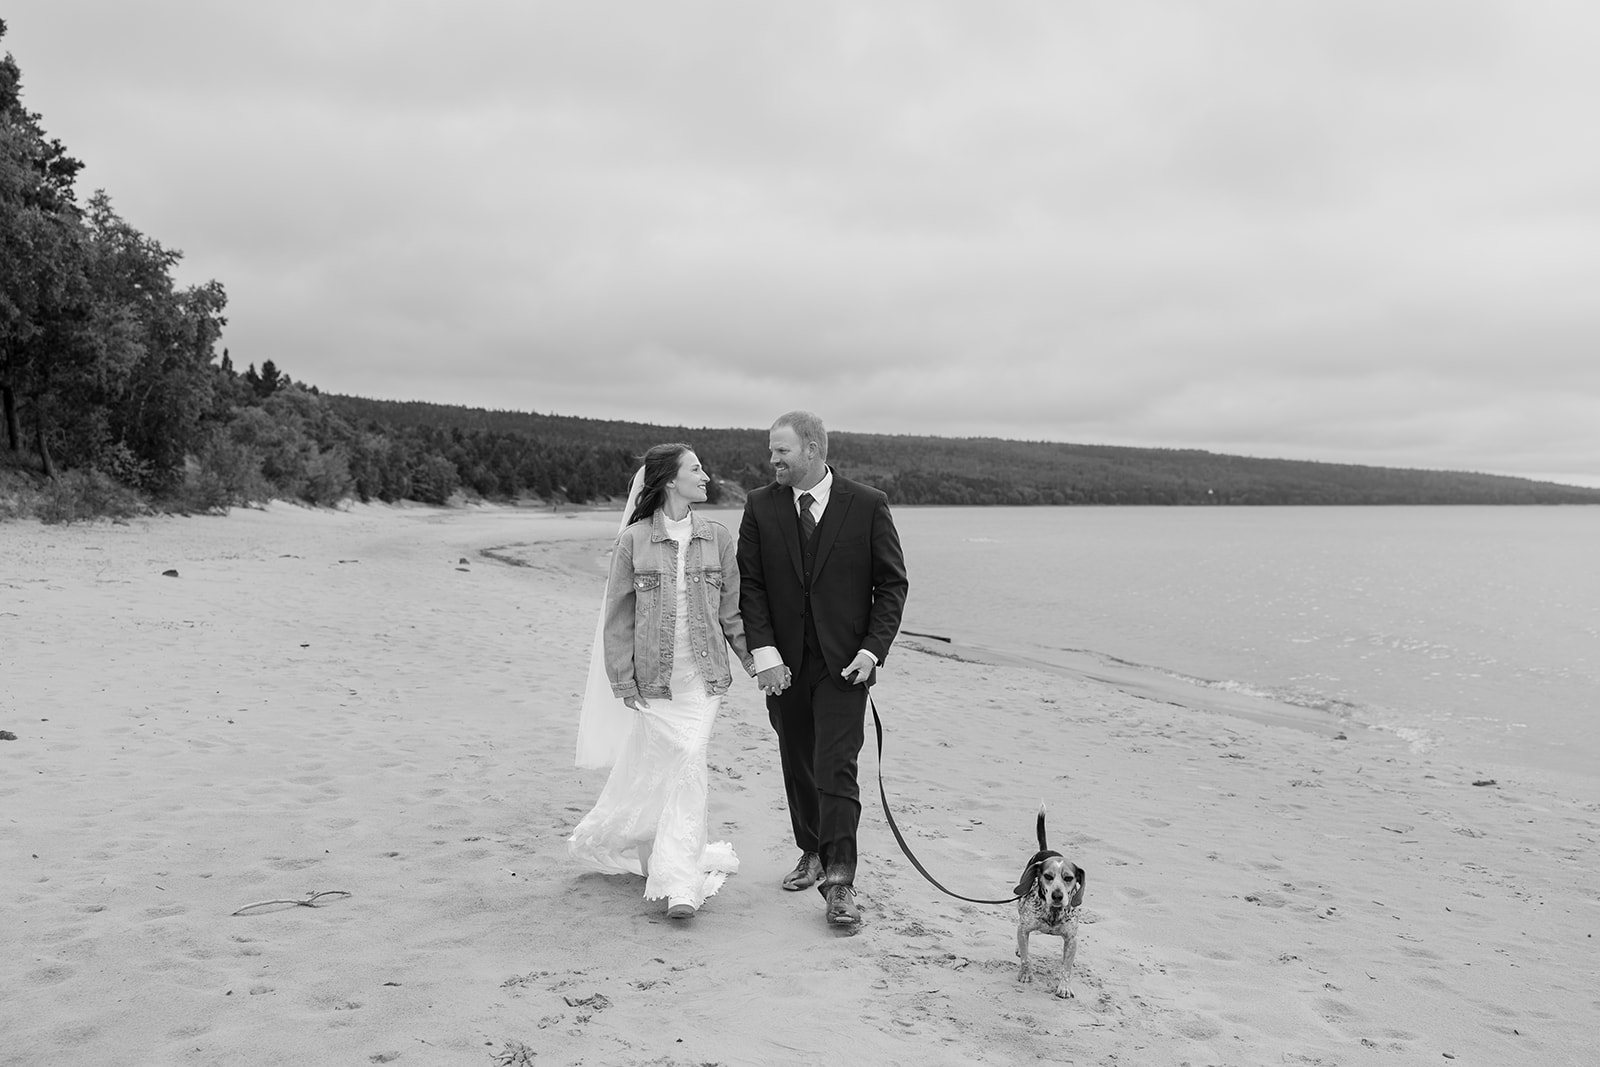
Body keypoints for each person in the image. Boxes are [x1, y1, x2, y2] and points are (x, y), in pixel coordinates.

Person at [737, 411, 909, 927]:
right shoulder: (760, 505)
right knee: (798, 764)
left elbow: (892, 586)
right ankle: (810, 849)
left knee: (837, 769)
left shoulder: (869, 504)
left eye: (781, 451)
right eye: (771, 451)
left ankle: (839, 881)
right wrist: (764, 656)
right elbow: (751, 586)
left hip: (845, 667)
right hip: (783, 667)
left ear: (812, 449)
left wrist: (872, 650)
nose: (773, 460)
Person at [568, 443, 753, 919]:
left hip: (703, 680)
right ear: (670, 480)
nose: (707, 475)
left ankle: (679, 884)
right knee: (666, 771)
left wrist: (756, 662)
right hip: (654, 683)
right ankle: (660, 855)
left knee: (689, 761)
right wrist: (623, 680)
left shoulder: (718, 538)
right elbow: (618, 618)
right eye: (696, 468)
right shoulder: (633, 541)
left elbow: (732, 612)